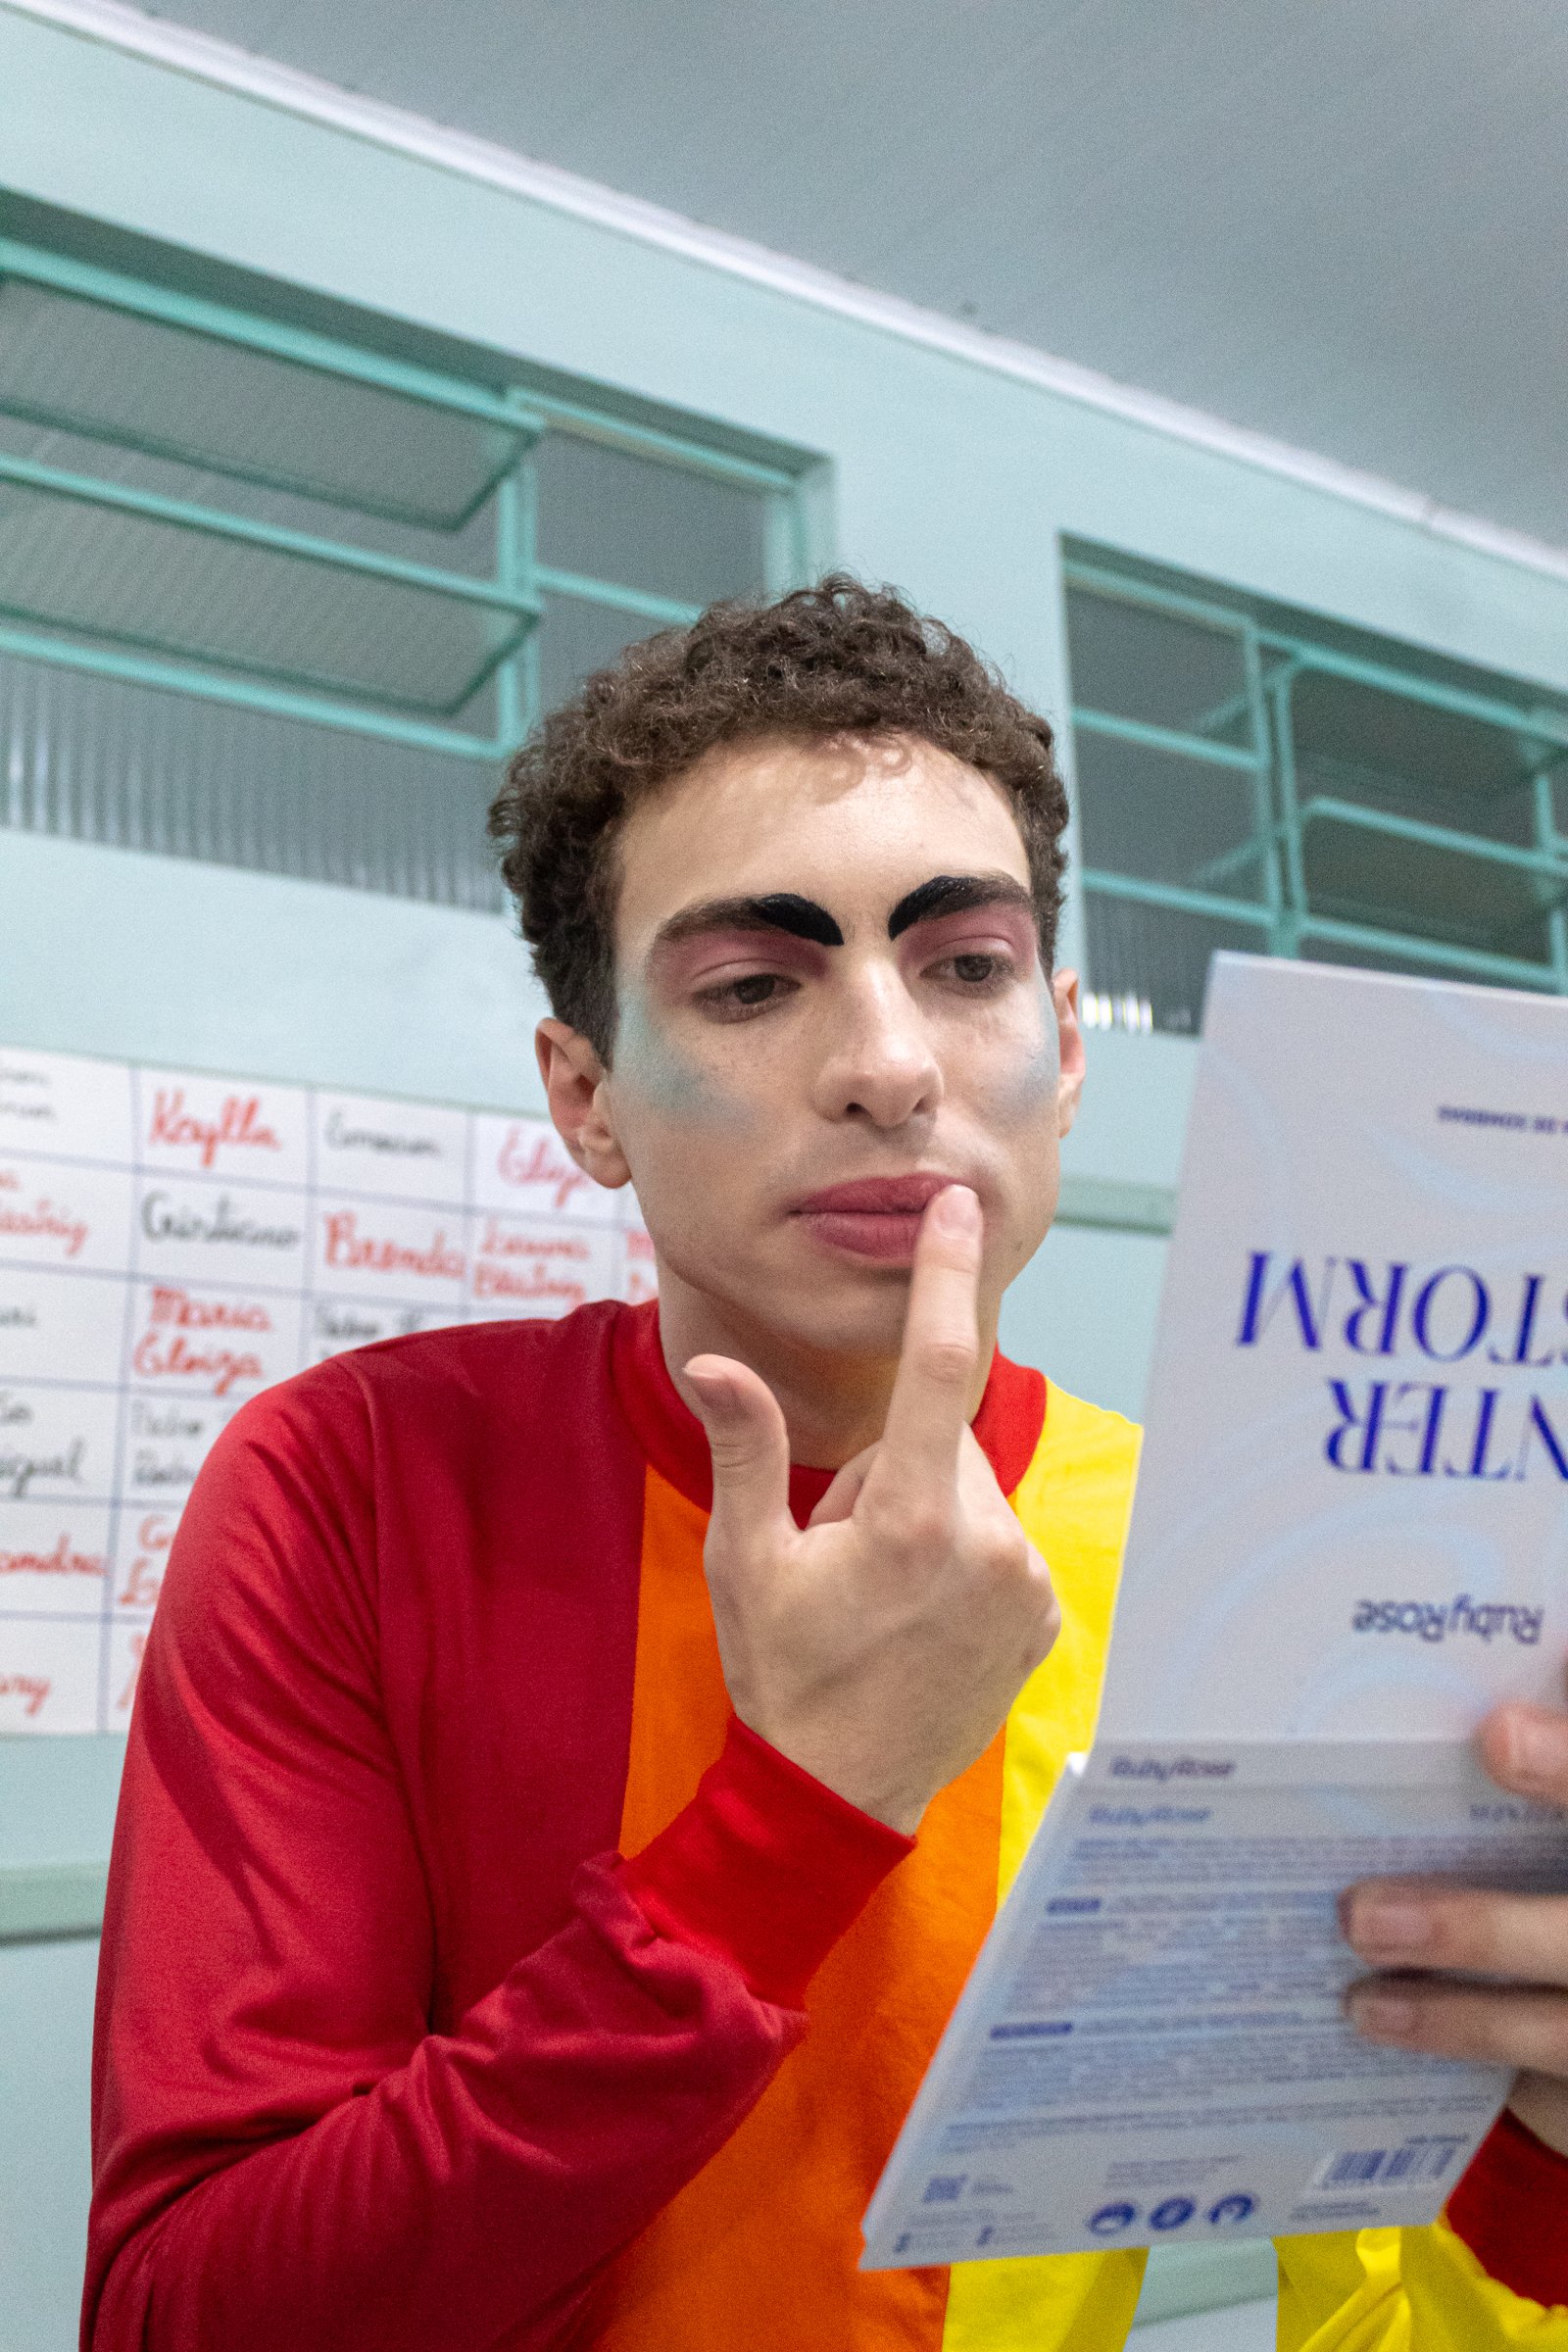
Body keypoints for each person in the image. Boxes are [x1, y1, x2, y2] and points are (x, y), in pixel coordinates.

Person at [84, 578, 1568, 2352]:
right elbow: (185, 2312)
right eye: (749, 985)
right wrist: (790, 1824)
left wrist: (1541, 2146)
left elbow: (1384, 2296)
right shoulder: (355, 1486)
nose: (888, 1066)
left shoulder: (1235, 1554)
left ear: (1067, 1054)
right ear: (586, 1097)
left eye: (968, 967)